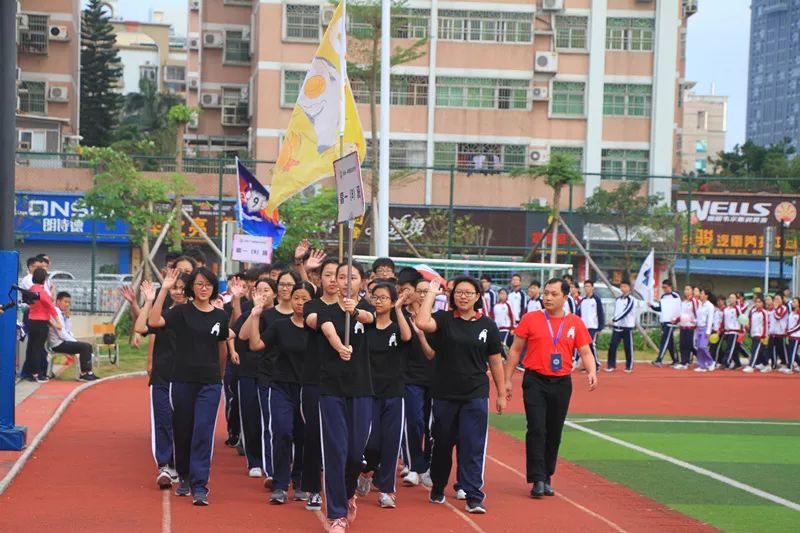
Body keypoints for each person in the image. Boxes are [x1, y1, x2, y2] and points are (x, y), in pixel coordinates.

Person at [415, 276, 507, 514]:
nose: (463, 296)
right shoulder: (444, 320)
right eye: (459, 292)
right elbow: (422, 322)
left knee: (472, 445)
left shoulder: (487, 325)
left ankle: (474, 495)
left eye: (469, 293)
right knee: (443, 444)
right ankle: (438, 484)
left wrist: (501, 392)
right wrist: (432, 294)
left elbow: (495, 362)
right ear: (452, 296)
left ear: (478, 297)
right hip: (445, 393)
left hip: (475, 393)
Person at [505, 278, 597, 499]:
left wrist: (592, 371)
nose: (547, 297)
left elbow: (585, 351)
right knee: (536, 428)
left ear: (565, 298)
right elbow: (516, 350)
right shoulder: (530, 319)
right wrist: (507, 379)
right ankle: (536, 479)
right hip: (535, 380)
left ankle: (547, 476)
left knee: (554, 432)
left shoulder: (575, 322)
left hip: (562, 383)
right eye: (546, 293)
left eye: (554, 294)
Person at [148, 267, 229, 506]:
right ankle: (183, 475)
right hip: (181, 381)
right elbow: (154, 321)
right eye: (199, 284)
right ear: (191, 287)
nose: (203, 288)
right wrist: (163, 288)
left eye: (208, 284)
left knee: (203, 431)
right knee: (183, 431)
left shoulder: (220, 316)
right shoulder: (181, 312)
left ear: (213, 288)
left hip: (210, 383)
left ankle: (200, 485)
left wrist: (220, 376)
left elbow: (222, 348)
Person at [317, 261, 376, 532]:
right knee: (336, 453)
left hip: (362, 389)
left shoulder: (367, 308)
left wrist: (358, 313)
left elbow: (370, 319)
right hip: (331, 390)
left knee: (355, 455)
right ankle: (337, 514)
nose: (344, 281)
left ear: (361, 283)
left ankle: (349, 491)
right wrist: (340, 346)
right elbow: (327, 328)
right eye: (341, 277)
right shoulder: (323, 308)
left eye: (351, 277)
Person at [249, 281, 315, 504]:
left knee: (303, 436)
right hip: (280, 387)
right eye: (297, 297)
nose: (300, 302)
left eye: (305, 299)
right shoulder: (280, 325)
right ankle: (280, 483)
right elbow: (255, 345)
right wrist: (256, 314)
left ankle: (300, 482)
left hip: (307, 389)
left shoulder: (319, 328)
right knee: (282, 432)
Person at [356, 282, 412, 508]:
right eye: (375, 297)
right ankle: (366, 471)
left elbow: (408, 338)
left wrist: (399, 310)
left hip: (393, 393)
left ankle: (387, 490)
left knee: (390, 443)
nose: (379, 301)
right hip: (367, 392)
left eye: (384, 298)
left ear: (392, 301)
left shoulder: (397, 327)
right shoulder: (364, 326)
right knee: (371, 442)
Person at [135, 276, 190, 488]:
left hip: (187, 378)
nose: (178, 292)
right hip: (163, 376)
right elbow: (141, 327)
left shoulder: (196, 315)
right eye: (174, 288)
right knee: (163, 420)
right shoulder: (163, 315)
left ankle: (183, 465)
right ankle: (166, 465)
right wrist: (149, 300)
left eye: (182, 288)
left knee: (185, 423)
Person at [233, 278, 276, 479]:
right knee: (250, 417)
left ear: (275, 293)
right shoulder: (250, 313)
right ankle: (255, 461)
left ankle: (274, 459)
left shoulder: (281, 315)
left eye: (266, 290)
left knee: (271, 419)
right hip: (249, 371)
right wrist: (255, 312)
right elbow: (241, 336)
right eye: (258, 290)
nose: (262, 294)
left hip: (274, 373)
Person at [399, 275, 437, 488]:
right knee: (414, 422)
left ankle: (428, 465)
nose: (423, 295)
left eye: (426, 291)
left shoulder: (438, 318)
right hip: (410, 378)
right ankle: (415, 465)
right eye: (420, 291)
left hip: (434, 379)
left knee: (432, 427)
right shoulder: (402, 316)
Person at [48, 292, 97, 381]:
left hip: (63, 341)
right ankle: (83, 374)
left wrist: (68, 318)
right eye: (65, 302)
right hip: (58, 344)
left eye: (69, 303)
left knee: (88, 346)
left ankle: (89, 372)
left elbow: (68, 331)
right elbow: (61, 334)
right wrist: (75, 341)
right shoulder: (55, 312)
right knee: (84, 347)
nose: (67, 304)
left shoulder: (61, 313)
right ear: (58, 301)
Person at [24, 268, 60, 383]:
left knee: (31, 348)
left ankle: (31, 373)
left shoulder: (31, 289)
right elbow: (51, 307)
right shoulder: (41, 292)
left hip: (32, 321)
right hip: (41, 323)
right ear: (44, 279)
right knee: (38, 349)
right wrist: (58, 322)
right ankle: (37, 374)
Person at [606, 280, 635, 373]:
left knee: (628, 347)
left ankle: (629, 366)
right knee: (612, 345)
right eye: (622, 286)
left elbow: (625, 312)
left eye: (625, 286)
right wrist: (614, 321)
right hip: (617, 327)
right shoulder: (618, 299)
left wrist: (614, 320)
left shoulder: (631, 299)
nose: (623, 288)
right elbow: (616, 312)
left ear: (629, 288)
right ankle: (611, 365)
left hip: (627, 327)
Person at [651, 280, 681, 366]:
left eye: (666, 287)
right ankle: (675, 360)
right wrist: (652, 307)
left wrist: (676, 319)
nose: (664, 289)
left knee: (664, 340)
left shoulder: (675, 296)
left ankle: (659, 359)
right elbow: (661, 308)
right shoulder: (663, 297)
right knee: (670, 342)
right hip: (664, 321)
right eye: (663, 287)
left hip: (671, 322)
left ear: (670, 287)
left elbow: (678, 308)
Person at [577, 280, 604, 369]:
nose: (587, 288)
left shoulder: (596, 299)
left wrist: (600, 327)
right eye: (585, 286)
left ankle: (596, 363)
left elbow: (600, 313)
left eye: (588, 286)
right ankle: (588, 364)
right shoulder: (583, 300)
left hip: (593, 327)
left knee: (592, 344)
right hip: (584, 327)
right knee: (584, 347)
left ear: (592, 287)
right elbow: (578, 314)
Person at [720, 293, 747, 370]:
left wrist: (742, 331)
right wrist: (721, 329)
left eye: (733, 298)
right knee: (734, 349)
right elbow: (723, 320)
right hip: (727, 331)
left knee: (730, 348)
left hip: (735, 331)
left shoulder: (737, 308)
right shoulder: (726, 309)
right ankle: (738, 363)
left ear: (736, 299)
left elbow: (741, 318)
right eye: (730, 297)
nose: (731, 299)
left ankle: (726, 363)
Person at [764, 293, 789, 373]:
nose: (776, 301)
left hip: (781, 333)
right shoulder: (771, 310)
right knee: (770, 349)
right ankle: (771, 365)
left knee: (782, 349)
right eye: (775, 299)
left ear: (782, 300)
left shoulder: (783, 308)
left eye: (778, 299)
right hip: (772, 333)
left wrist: (775, 308)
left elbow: (778, 317)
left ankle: (786, 364)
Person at [675, 284, 697, 370]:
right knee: (682, 344)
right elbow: (681, 314)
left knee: (689, 345)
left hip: (690, 326)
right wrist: (676, 320)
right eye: (685, 289)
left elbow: (696, 313)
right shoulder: (683, 302)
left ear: (692, 291)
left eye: (688, 289)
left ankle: (686, 361)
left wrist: (695, 321)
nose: (686, 291)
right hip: (683, 326)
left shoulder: (694, 301)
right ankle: (684, 361)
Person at [693, 288, 716, 372]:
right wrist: (694, 321)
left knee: (703, 346)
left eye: (702, 293)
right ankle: (701, 365)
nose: (700, 295)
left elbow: (710, 319)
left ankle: (710, 362)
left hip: (705, 328)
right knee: (699, 347)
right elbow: (699, 317)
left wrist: (708, 331)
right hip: (699, 327)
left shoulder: (710, 306)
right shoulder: (700, 304)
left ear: (706, 296)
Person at [743, 297, 768, 373]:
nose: (757, 303)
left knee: (755, 351)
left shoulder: (764, 312)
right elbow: (749, 320)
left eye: (760, 302)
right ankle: (766, 365)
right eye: (756, 302)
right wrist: (747, 326)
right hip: (753, 334)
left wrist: (763, 336)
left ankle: (751, 366)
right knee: (759, 351)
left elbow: (765, 325)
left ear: (763, 303)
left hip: (760, 335)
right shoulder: (753, 311)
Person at [784, 297, 800, 373]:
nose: (793, 303)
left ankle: (790, 367)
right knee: (790, 351)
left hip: (796, 336)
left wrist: (789, 331)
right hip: (790, 335)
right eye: (792, 302)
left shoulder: (799, 312)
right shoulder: (791, 312)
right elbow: (788, 323)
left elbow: (798, 325)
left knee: (792, 352)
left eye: (795, 302)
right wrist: (786, 330)